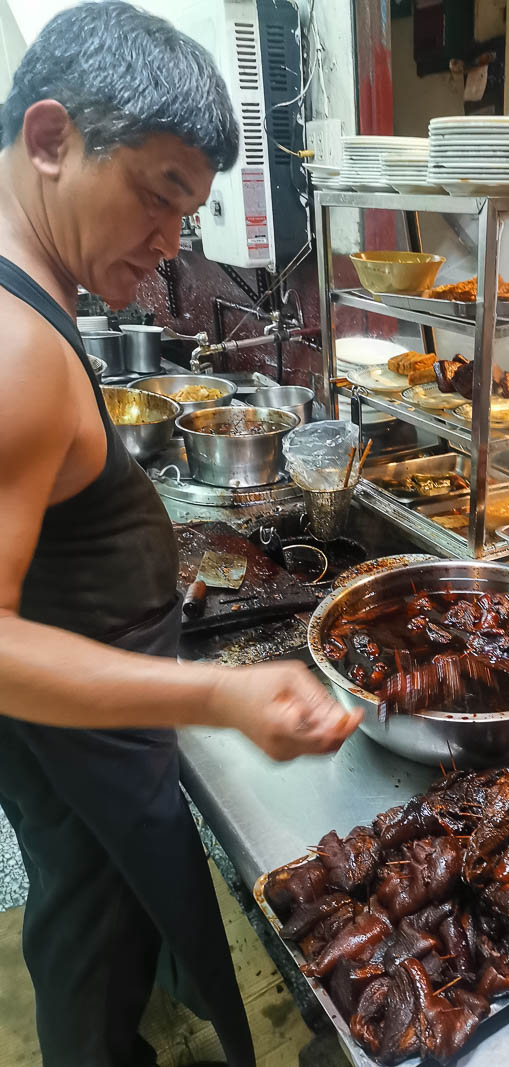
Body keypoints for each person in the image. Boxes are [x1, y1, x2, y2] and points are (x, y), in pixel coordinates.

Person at [0, 4, 359, 1065]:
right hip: (80, 730)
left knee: (91, 908)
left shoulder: (35, 300)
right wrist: (220, 692)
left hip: (81, 728)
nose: (168, 244)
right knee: (89, 938)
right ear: (52, 138)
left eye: (187, 212)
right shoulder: (18, 352)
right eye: (157, 195)